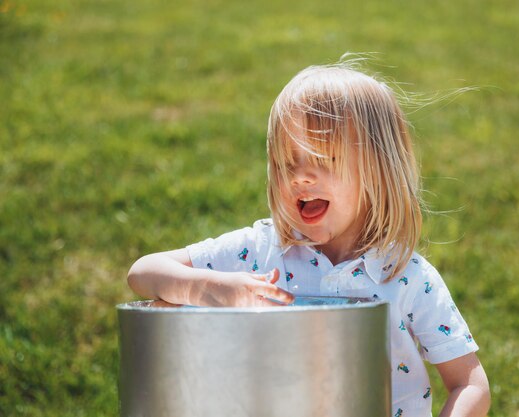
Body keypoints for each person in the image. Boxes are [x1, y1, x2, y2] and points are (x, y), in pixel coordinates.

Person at [127, 61, 490, 417]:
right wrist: (211, 288)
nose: (300, 177)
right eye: (288, 163)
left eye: (322, 158)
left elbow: (469, 384)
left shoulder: (407, 276)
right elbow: (144, 272)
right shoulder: (259, 251)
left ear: (377, 168)